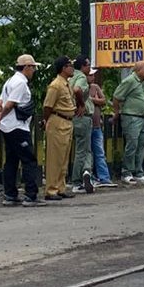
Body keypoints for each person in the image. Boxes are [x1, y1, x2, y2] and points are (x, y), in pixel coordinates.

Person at [0, 54, 42, 206]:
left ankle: (10, 194)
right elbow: (8, 105)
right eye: (32, 67)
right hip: (18, 126)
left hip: (8, 127)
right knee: (28, 160)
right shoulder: (20, 83)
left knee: (12, 160)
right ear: (26, 67)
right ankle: (31, 195)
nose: (34, 70)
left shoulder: (10, 81)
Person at [42, 57, 77, 201]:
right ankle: (51, 190)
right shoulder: (56, 85)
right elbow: (47, 106)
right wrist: (46, 120)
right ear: (63, 68)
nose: (72, 68)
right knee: (55, 157)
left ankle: (60, 187)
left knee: (64, 157)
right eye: (70, 66)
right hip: (57, 120)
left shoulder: (66, 84)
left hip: (67, 121)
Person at [112, 61, 144, 189]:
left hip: (143, 116)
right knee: (132, 144)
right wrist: (117, 112)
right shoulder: (130, 81)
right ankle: (126, 172)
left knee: (141, 144)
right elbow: (117, 96)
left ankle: (139, 172)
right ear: (138, 70)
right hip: (131, 116)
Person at [69, 55, 94, 194]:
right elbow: (77, 90)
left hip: (72, 117)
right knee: (82, 150)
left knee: (82, 148)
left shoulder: (70, 77)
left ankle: (86, 171)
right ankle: (77, 181)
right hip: (82, 117)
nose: (89, 68)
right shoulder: (81, 78)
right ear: (82, 66)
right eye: (88, 65)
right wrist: (81, 104)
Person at [87, 69, 115, 187]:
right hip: (87, 125)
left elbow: (103, 100)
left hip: (97, 124)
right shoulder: (79, 86)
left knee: (99, 151)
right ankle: (88, 176)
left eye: (93, 75)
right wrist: (95, 100)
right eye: (90, 75)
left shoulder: (95, 87)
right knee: (86, 152)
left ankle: (104, 177)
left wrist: (93, 99)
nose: (92, 77)